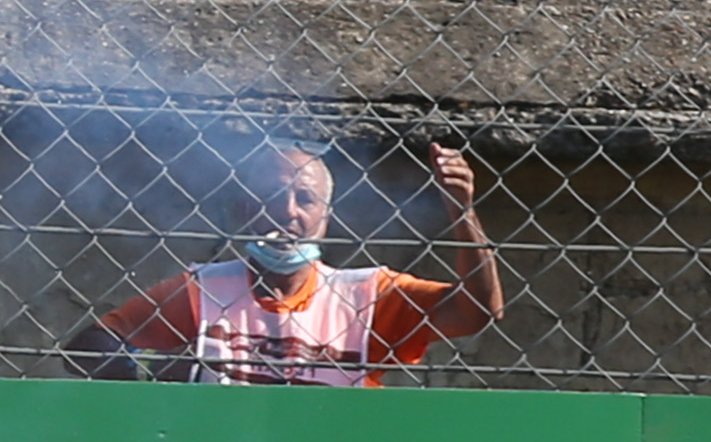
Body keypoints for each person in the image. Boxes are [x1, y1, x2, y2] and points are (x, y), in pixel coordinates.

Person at [72, 140, 505, 383]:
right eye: (272, 198)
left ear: (325, 219)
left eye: (305, 200)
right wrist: (156, 377)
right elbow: (90, 346)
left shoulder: (365, 295)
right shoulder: (205, 291)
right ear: (245, 211)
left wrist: (461, 210)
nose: (288, 213)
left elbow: (477, 311)